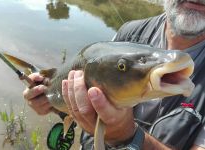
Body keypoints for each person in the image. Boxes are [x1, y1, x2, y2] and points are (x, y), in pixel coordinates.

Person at [23, 0, 205, 149]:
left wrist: (127, 136)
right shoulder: (129, 32)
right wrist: (48, 102)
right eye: (122, 66)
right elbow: (85, 91)